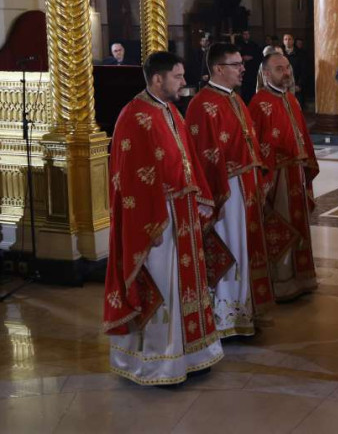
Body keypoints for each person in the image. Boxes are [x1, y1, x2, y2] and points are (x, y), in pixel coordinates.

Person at [103, 52, 224, 385]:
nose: (184, 81)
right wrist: (148, 226)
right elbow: (128, 181)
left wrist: (198, 198)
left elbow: (188, 161)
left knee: (189, 286)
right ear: (158, 79)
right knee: (164, 289)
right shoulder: (133, 116)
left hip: (181, 214)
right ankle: (160, 362)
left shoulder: (170, 111)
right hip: (156, 221)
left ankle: (195, 353)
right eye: (177, 76)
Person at [186, 43, 272, 338]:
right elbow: (201, 157)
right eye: (236, 64)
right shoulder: (202, 104)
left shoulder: (234, 99)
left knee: (245, 247)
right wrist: (210, 199)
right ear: (219, 69)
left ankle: (242, 310)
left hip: (244, 188)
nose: (243, 69)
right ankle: (223, 318)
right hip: (224, 192)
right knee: (230, 247)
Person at [250, 52, 320, 301]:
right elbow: (257, 145)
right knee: (282, 225)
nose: (286, 73)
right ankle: (281, 281)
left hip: (296, 173)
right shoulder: (259, 103)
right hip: (277, 177)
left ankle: (302, 277)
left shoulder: (291, 99)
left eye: (287, 68)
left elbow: (301, 135)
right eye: (280, 69)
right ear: (266, 73)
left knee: (300, 225)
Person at [238, 30, 262, 105]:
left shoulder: (254, 45)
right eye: (244, 34)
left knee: (252, 89)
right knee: (244, 90)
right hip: (243, 72)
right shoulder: (239, 45)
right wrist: (242, 58)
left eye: (247, 34)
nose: (246, 36)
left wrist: (251, 58)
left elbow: (259, 57)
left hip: (252, 71)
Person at [282, 33, 306, 106]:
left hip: (296, 85)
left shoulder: (300, 54)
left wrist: (299, 84)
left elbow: (304, 71)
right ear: (283, 41)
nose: (287, 41)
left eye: (289, 39)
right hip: (282, 86)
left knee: (296, 108)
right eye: (285, 39)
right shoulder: (280, 53)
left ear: (293, 41)